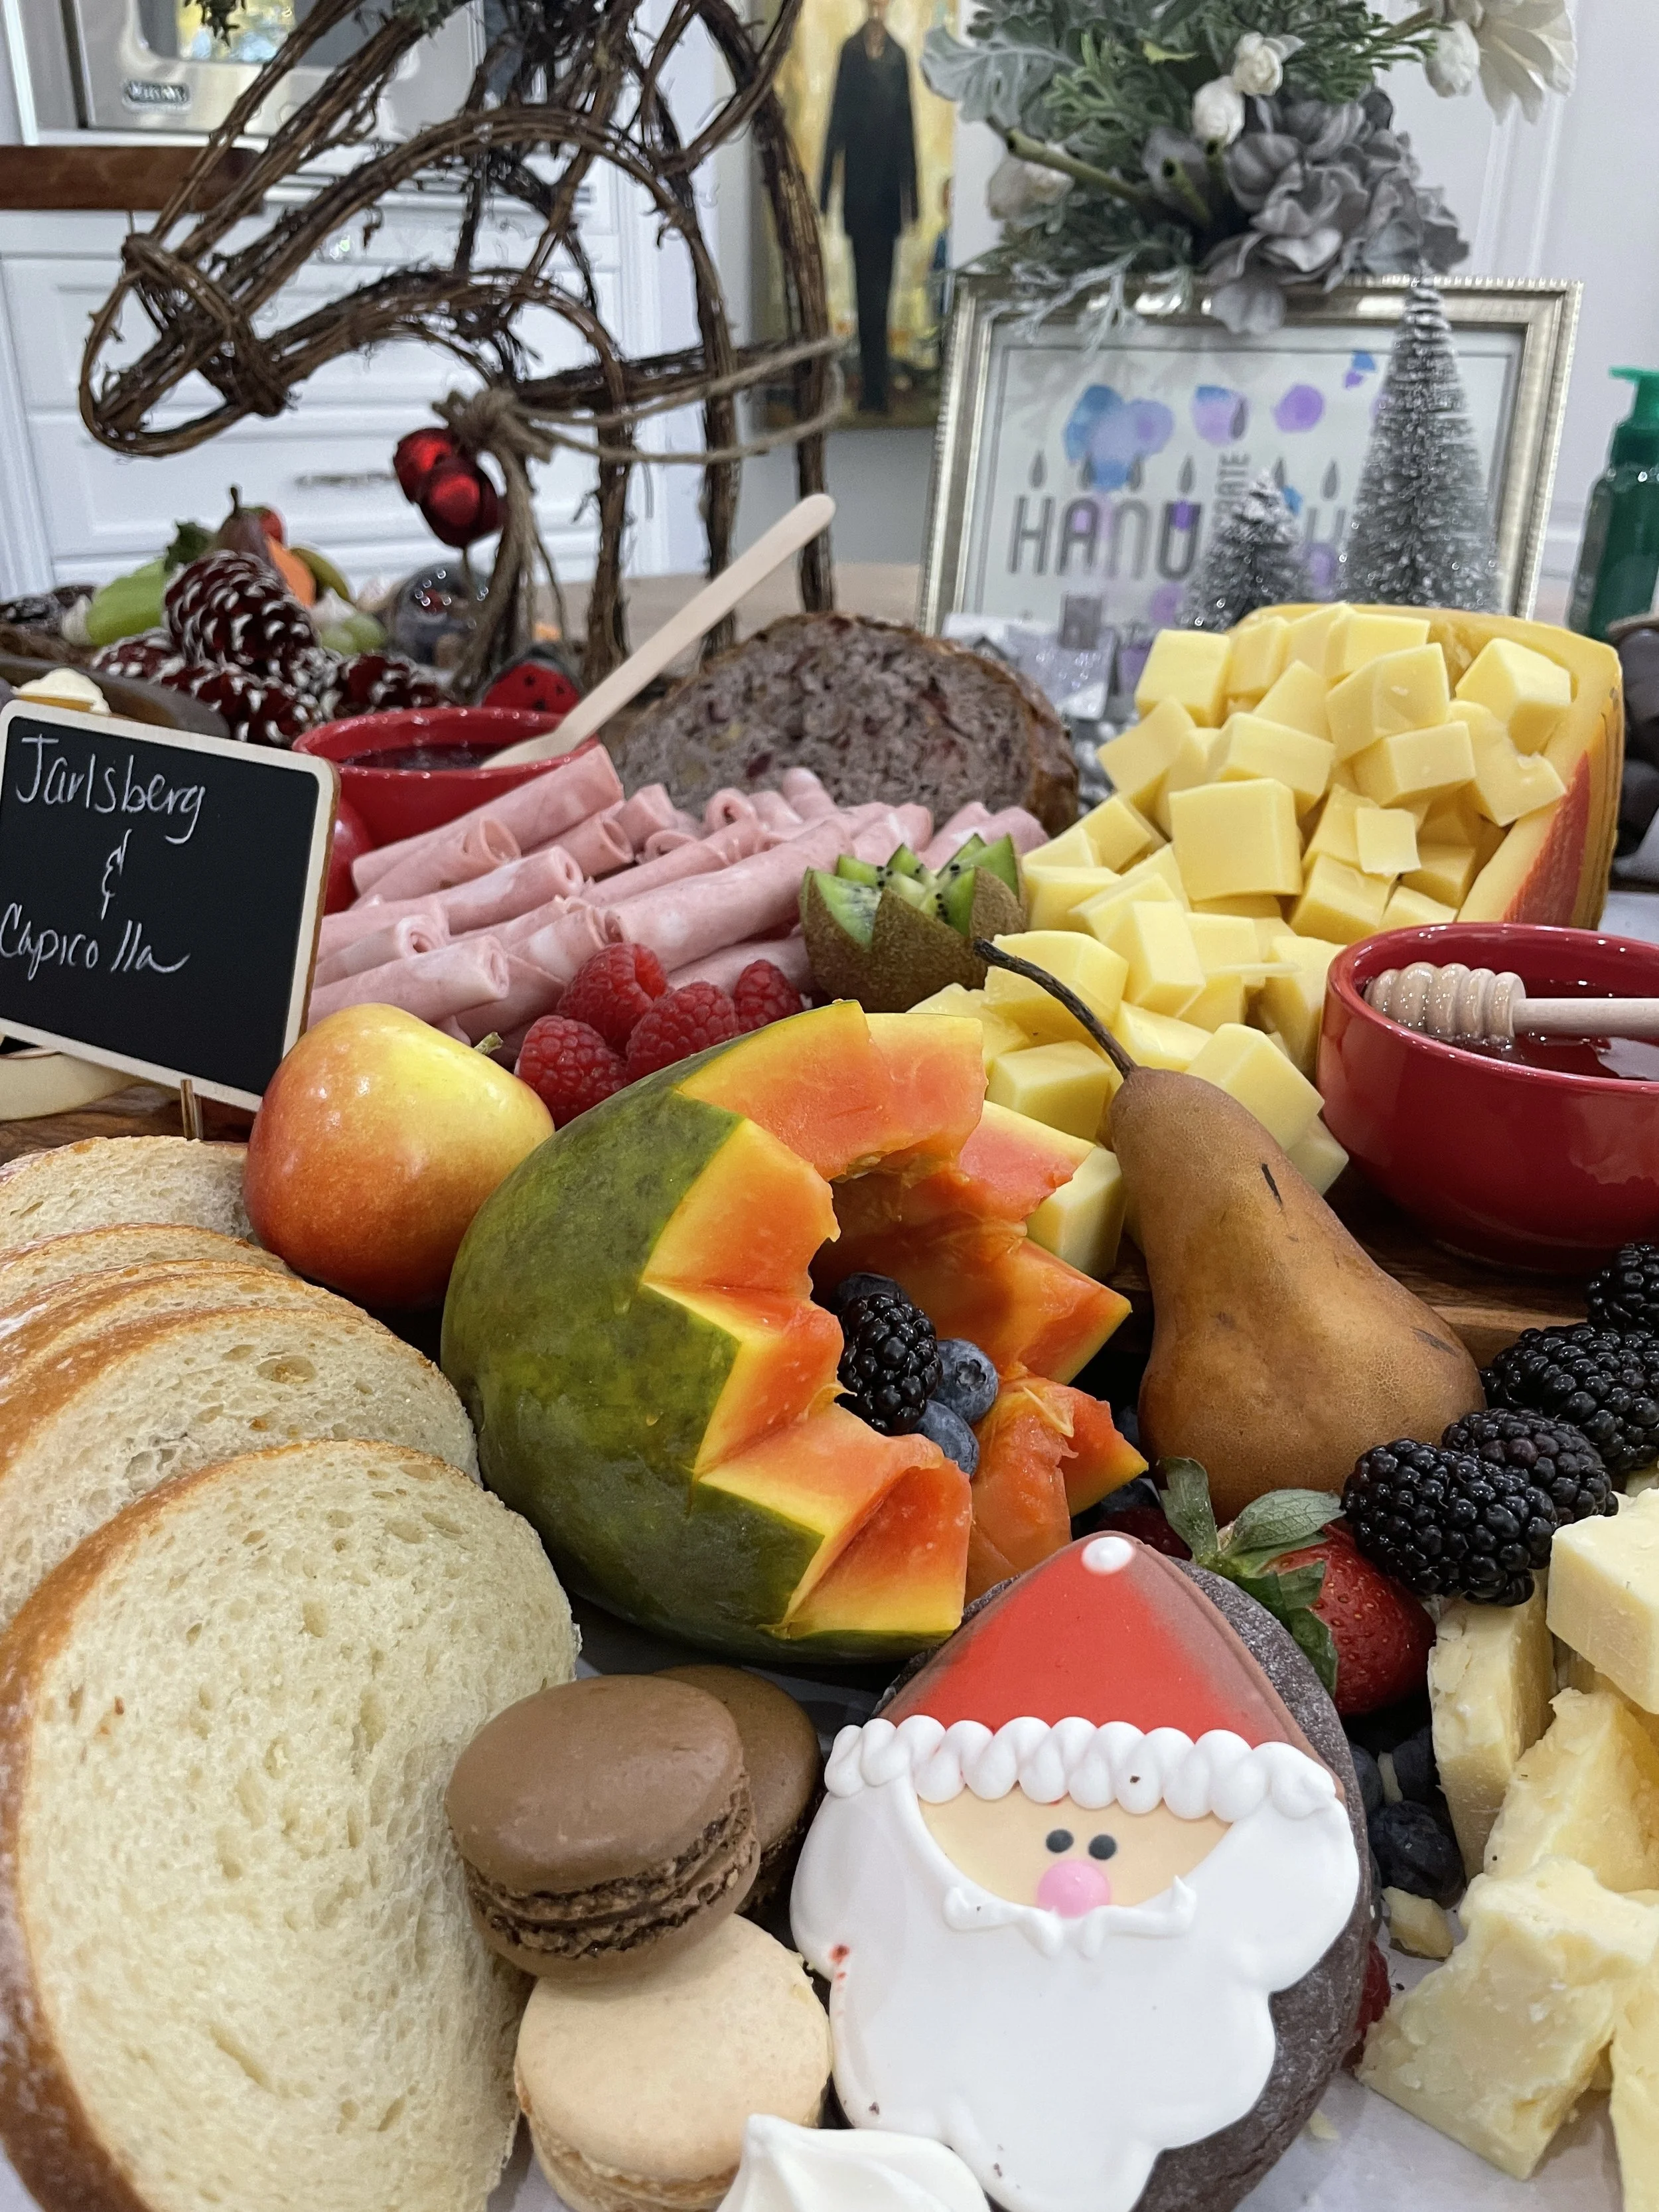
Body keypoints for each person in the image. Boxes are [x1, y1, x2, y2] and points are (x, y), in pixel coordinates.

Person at [819, 0, 918, 415]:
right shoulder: (851, 52)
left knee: (884, 294)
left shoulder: (897, 56)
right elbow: (836, 119)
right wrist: (824, 189)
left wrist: (914, 198)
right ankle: (871, 391)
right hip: (859, 194)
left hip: (888, 199)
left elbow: (907, 128)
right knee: (865, 294)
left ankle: (879, 389)